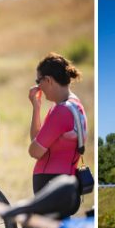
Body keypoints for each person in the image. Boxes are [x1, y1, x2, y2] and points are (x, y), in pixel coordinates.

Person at [28, 52, 88, 217]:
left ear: (48, 80)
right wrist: (37, 107)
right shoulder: (76, 106)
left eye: (38, 81)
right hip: (67, 182)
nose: (38, 87)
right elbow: (37, 141)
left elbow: (34, 151)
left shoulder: (61, 111)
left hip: (51, 184)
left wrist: (36, 145)